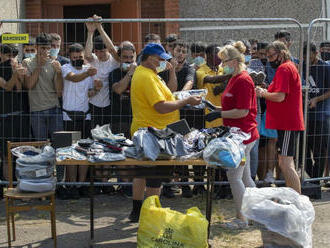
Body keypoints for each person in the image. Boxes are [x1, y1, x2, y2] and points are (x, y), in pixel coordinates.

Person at [128, 43, 201, 222]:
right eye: (161, 59)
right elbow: (161, 106)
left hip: (152, 131)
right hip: (154, 134)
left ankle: (138, 211)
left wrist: (173, 72)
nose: (164, 62)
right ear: (150, 58)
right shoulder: (147, 77)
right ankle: (152, 214)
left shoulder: (150, 74)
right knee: (154, 177)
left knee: (142, 173)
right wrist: (186, 102)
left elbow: (170, 92)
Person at [206, 41, 258, 224]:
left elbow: (243, 111)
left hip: (243, 134)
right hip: (240, 133)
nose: (221, 66)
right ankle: (259, 214)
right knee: (245, 178)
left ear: (234, 61)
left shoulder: (243, 80)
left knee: (234, 177)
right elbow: (233, 105)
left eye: (224, 62)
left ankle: (242, 219)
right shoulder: (235, 78)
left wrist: (218, 113)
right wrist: (214, 107)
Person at [256, 41, 305, 194]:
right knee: (285, 162)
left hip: (288, 122)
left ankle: (298, 198)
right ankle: (295, 197)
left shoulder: (285, 68)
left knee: (286, 163)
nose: (269, 59)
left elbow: (279, 97)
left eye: (271, 56)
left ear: (281, 53)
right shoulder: (287, 67)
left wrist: (263, 93)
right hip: (286, 121)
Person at [60, 43, 101, 199]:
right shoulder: (66, 68)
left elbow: (89, 93)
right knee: (70, 153)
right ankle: (71, 185)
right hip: (68, 116)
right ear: (70, 57)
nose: (78, 60)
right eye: (75, 57)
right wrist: (87, 74)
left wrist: (97, 88)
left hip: (85, 114)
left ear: (84, 56)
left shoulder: (88, 69)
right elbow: (73, 78)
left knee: (83, 152)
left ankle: (81, 184)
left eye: (80, 57)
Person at [108, 41, 137, 197]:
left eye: (131, 58)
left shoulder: (140, 72)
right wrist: (130, 73)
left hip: (136, 118)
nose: (128, 60)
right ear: (119, 58)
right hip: (118, 118)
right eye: (125, 57)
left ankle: (133, 185)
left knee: (133, 153)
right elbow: (118, 89)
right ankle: (123, 184)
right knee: (121, 153)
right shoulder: (114, 73)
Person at [22, 32, 63, 140]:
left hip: (54, 108)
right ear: (36, 47)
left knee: (59, 145)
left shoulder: (54, 63)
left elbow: (59, 92)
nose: (45, 51)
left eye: (48, 48)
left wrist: (59, 73)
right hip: (36, 110)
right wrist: (39, 65)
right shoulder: (27, 62)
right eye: (43, 48)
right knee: (40, 146)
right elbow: (29, 85)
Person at [85, 15, 120, 128]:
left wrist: (100, 28)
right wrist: (90, 32)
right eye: (97, 51)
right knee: (94, 132)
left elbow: (112, 50)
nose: (100, 54)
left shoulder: (114, 60)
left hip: (111, 103)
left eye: (103, 51)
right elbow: (87, 55)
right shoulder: (94, 59)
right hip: (94, 103)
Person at [302, 42, 330, 180]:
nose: (306, 60)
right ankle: (313, 178)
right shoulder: (301, 67)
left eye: (309, 56)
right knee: (302, 152)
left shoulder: (325, 68)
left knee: (319, 151)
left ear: (316, 53)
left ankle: (315, 181)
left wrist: (316, 99)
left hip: (320, 116)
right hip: (303, 116)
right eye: (304, 57)